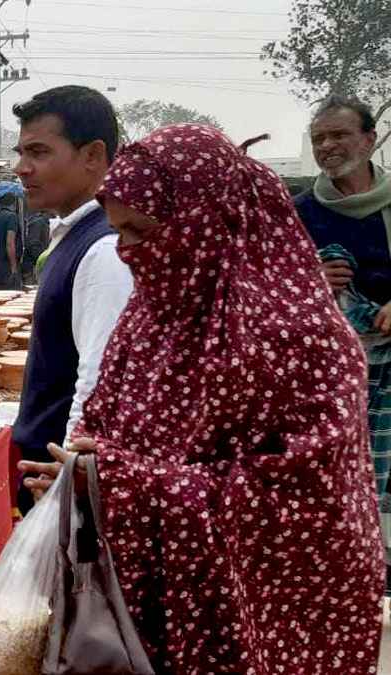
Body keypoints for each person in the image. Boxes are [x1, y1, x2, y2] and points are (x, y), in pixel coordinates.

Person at [21, 123, 382, 674]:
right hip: (154, 602)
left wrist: (130, 485)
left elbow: (305, 511)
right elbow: (107, 434)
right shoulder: (149, 319)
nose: (128, 254)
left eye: (141, 232)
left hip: (259, 618)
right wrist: (83, 480)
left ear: (211, 223)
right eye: (119, 233)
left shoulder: (301, 338)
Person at [8, 85, 133, 508]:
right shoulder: (74, 234)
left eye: (39, 153)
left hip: (61, 478)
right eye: (21, 152)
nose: (22, 168)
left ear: (93, 155)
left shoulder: (103, 250)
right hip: (52, 470)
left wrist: (72, 477)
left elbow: (99, 380)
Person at [294, 94, 391, 585]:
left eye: (338, 135)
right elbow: (273, 287)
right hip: (329, 372)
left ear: (369, 140)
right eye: (319, 139)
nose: (327, 146)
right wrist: (309, 278)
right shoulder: (301, 213)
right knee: (342, 472)